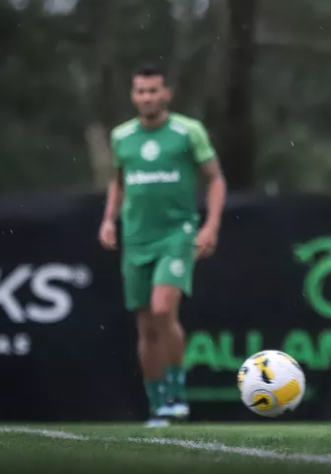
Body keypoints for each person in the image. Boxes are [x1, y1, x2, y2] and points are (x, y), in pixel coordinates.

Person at [98, 64, 226, 428]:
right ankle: (158, 406)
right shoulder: (122, 136)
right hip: (136, 238)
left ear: (166, 93)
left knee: (162, 308)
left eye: (153, 91)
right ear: (133, 95)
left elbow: (215, 179)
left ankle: (177, 395)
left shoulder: (188, 132)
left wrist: (211, 225)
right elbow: (119, 183)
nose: (147, 97)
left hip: (177, 234)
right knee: (146, 328)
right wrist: (109, 218)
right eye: (140, 91)